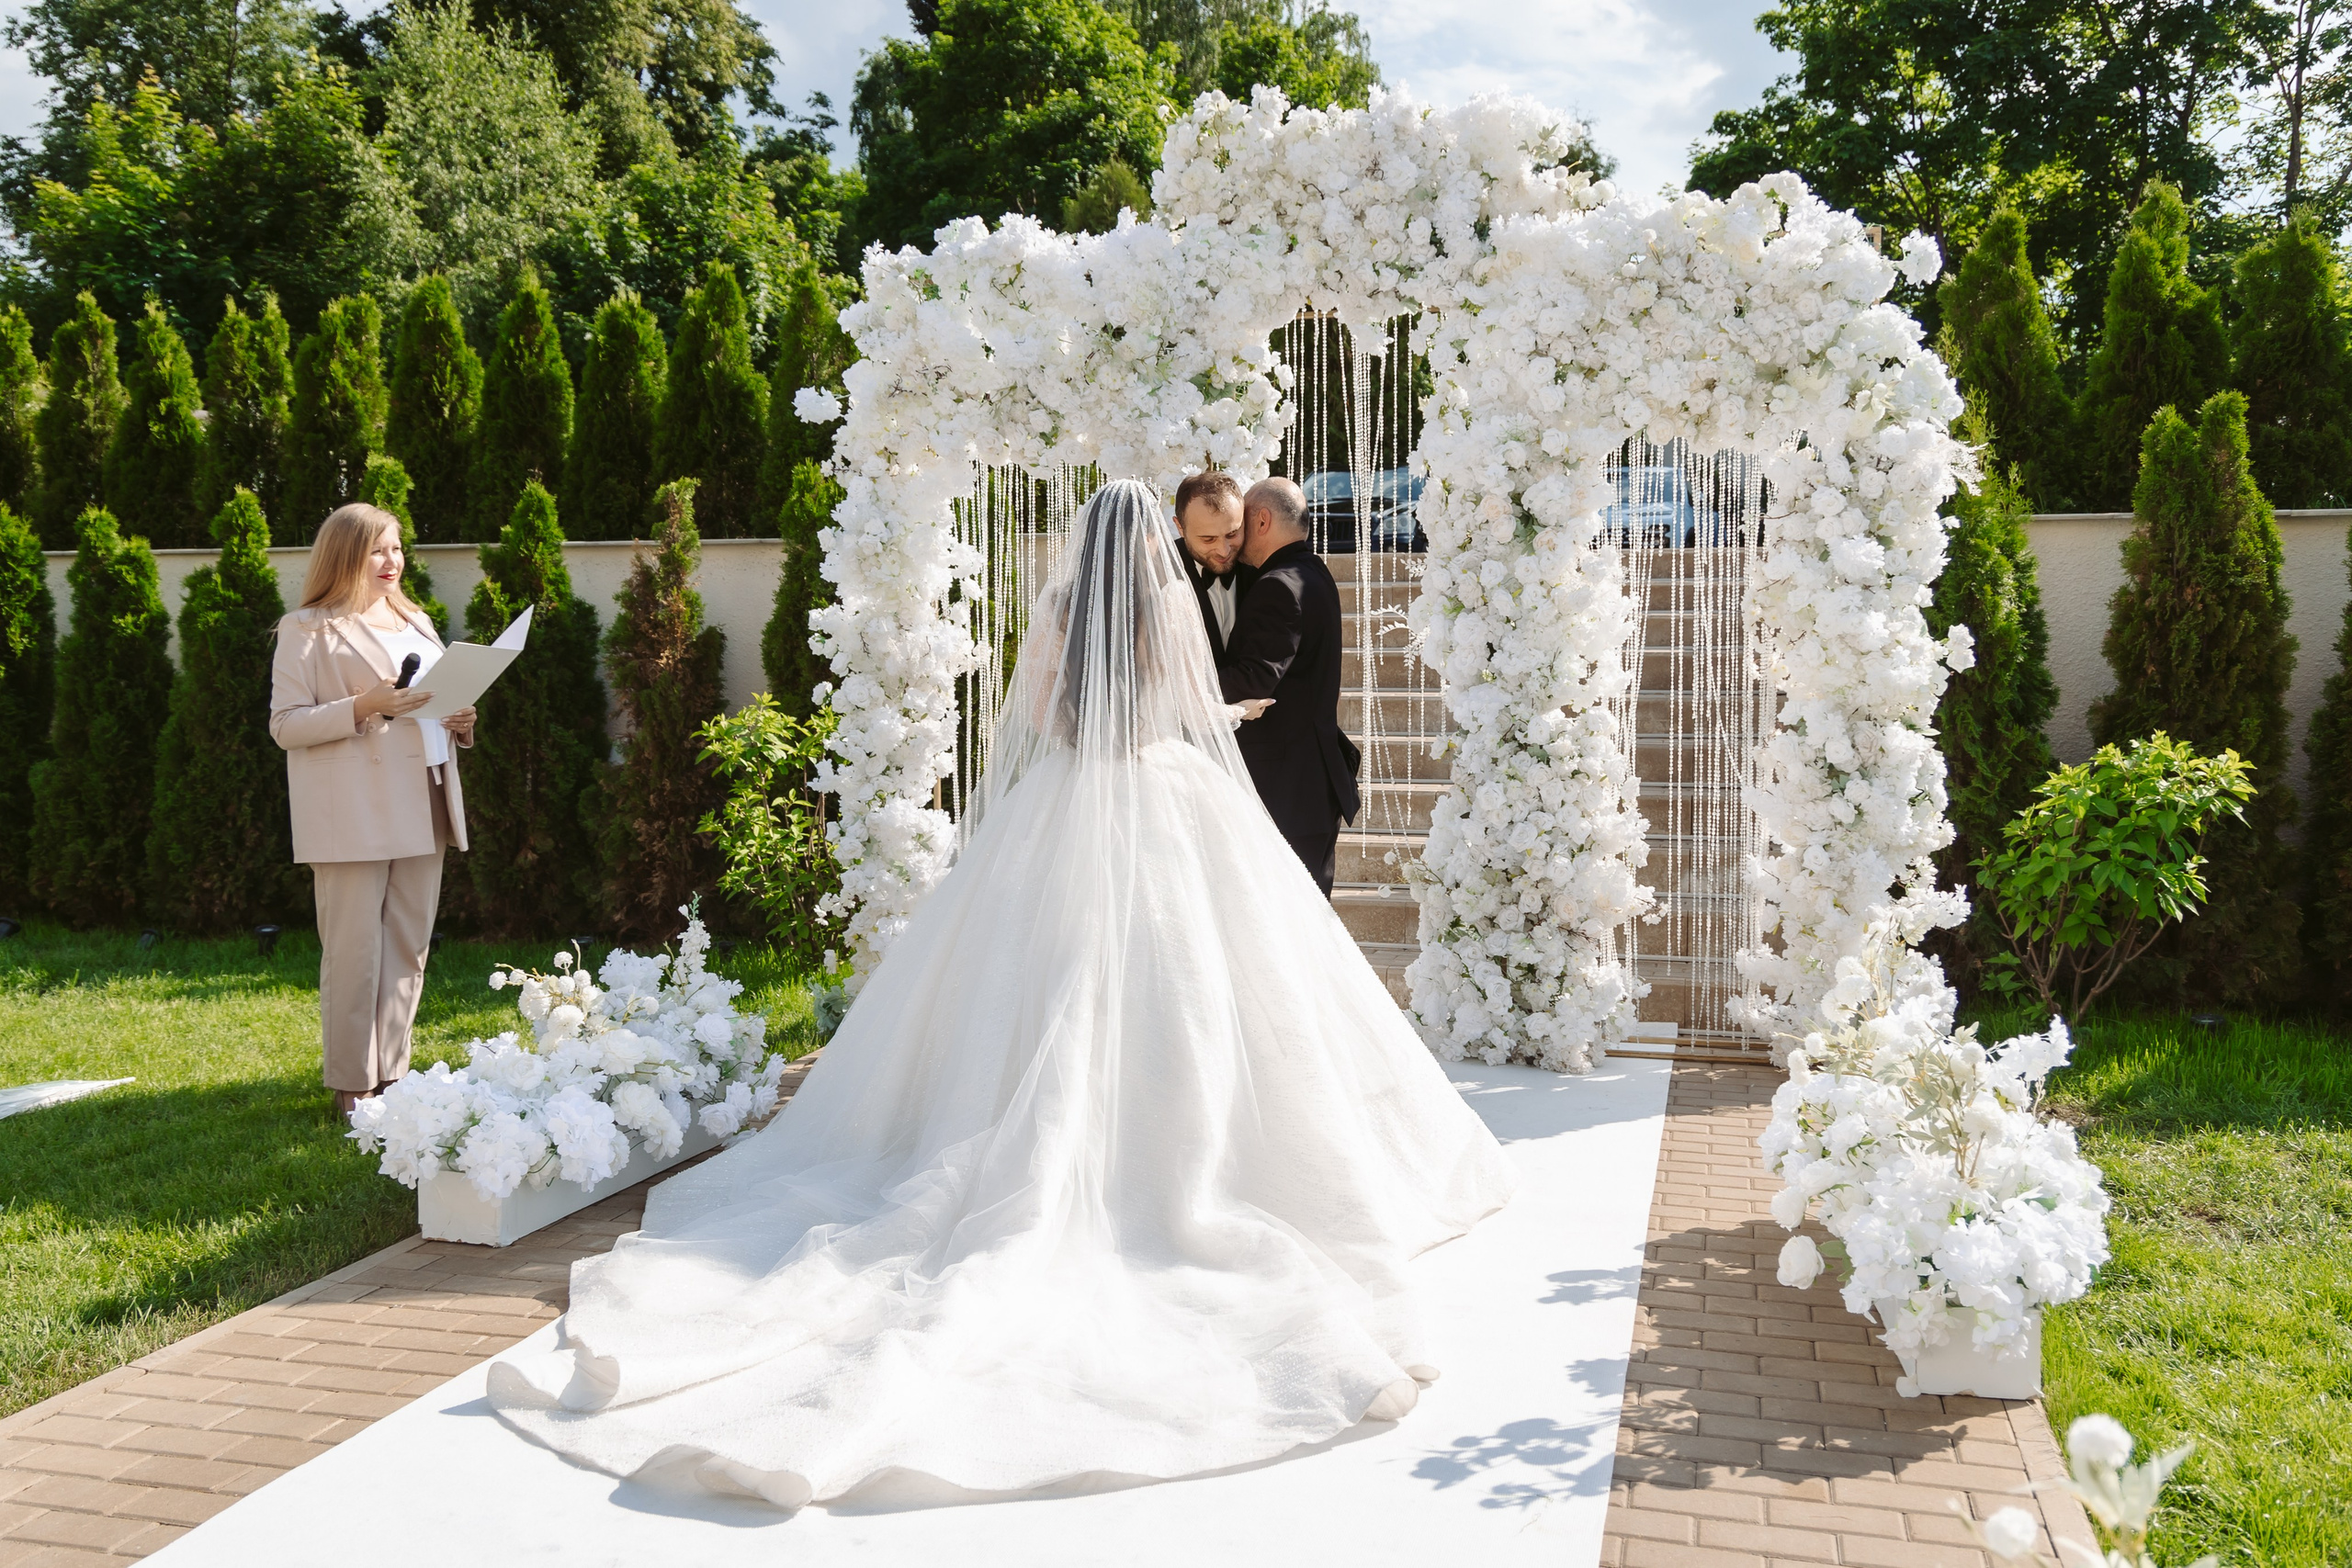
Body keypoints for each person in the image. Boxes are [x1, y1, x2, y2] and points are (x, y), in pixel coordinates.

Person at [486, 479, 1513, 1510]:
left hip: (1063, 805)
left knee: (1042, 983)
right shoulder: (1167, 608)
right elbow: (1182, 709)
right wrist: (1216, 708)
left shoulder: (1063, 610)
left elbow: (1037, 718)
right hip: (1166, 795)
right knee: (1206, 984)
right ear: (1153, 546)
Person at [269, 503, 477, 1118]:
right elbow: (285, 725)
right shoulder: (306, 628)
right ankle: (351, 1085)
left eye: (397, 548)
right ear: (345, 555)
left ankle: (393, 1075)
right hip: (352, 812)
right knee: (356, 948)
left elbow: (432, 702)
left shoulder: (415, 618)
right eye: (377, 550)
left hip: (426, 797)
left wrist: (461, 719)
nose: (392, 561)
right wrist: (364, 704)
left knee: (408, 946)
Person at [1217, 476, 1362, 896]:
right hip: (1308, 783)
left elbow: (1255, 678)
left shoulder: (1277, 585)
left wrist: (1178, 678)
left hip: (1286, 790)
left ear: (1261, 520)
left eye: (1240, 522)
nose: (1235, 537)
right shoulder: (1312, 573)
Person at [1170, 468, 1254, 661]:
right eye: (1208, 539)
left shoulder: (1259, 571)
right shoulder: (1161, 578)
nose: (1224, 551)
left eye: (1232, 534)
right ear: (1180, 528)